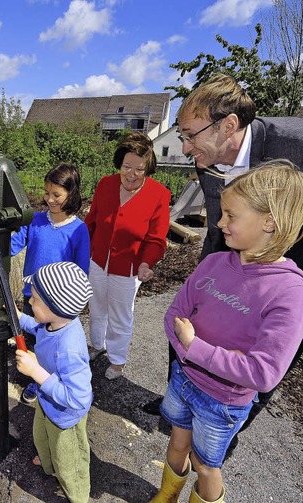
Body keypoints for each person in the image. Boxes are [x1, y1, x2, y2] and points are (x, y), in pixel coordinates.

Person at [143, 73, 303, 451]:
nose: (183, 148)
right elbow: (220, 218)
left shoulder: (294, 143)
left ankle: (225, 430)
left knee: (262, 356)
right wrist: (207, 272)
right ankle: (179, 406)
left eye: (189, 135)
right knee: (186, 326)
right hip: (224, 256)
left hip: (284, 270)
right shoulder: (208, 152)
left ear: (228, 124)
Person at [150, 161, 303, 503]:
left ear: (269, 222)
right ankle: (166, 495)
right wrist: (197, 354)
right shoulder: (213, 263)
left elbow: (263, 373)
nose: (219, 223)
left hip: (223, 402)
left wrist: (194, 347)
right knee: (176, 441)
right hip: (184, 380)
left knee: (206, 466)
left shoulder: (290, 293)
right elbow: (174, 315)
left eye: (231, 215)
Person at [0, 163, 90, 402]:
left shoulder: (79, 230)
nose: (49, 199)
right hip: (33, 297)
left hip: (59, 304)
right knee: (34, 341)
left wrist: (74, 307)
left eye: (56, 195)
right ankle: (37, 380)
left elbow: (81, 273)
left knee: (55, 348)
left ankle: (53, 382)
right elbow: (10, 246)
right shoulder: (36, 221)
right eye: (47, 193)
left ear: (72, 194)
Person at [84, 132, 170, 379]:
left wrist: (146, 262)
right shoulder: (105, 184)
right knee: (96, 306)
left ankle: (118, 360)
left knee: (121, 315)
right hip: (98, 261)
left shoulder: (159, 194)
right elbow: (91, 223)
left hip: (129, 267)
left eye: (139, 169)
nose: (131, 174)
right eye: (126, 167)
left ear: (148, 168)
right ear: (119, 164)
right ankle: (96, 344)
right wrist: (79, 250)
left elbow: (156, 238)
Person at [15, 261, 93, 503]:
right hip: (47, 402)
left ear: (55, 307)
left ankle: (77, 493)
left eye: (35, 299)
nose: (30, 302)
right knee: (42, 437)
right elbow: (36, 327)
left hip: (66, 415)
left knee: (69, 459)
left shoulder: (69, 347)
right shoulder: (53, 322)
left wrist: (36, 372)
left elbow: (78, 398)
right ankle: (50, 465)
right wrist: (17, 317)